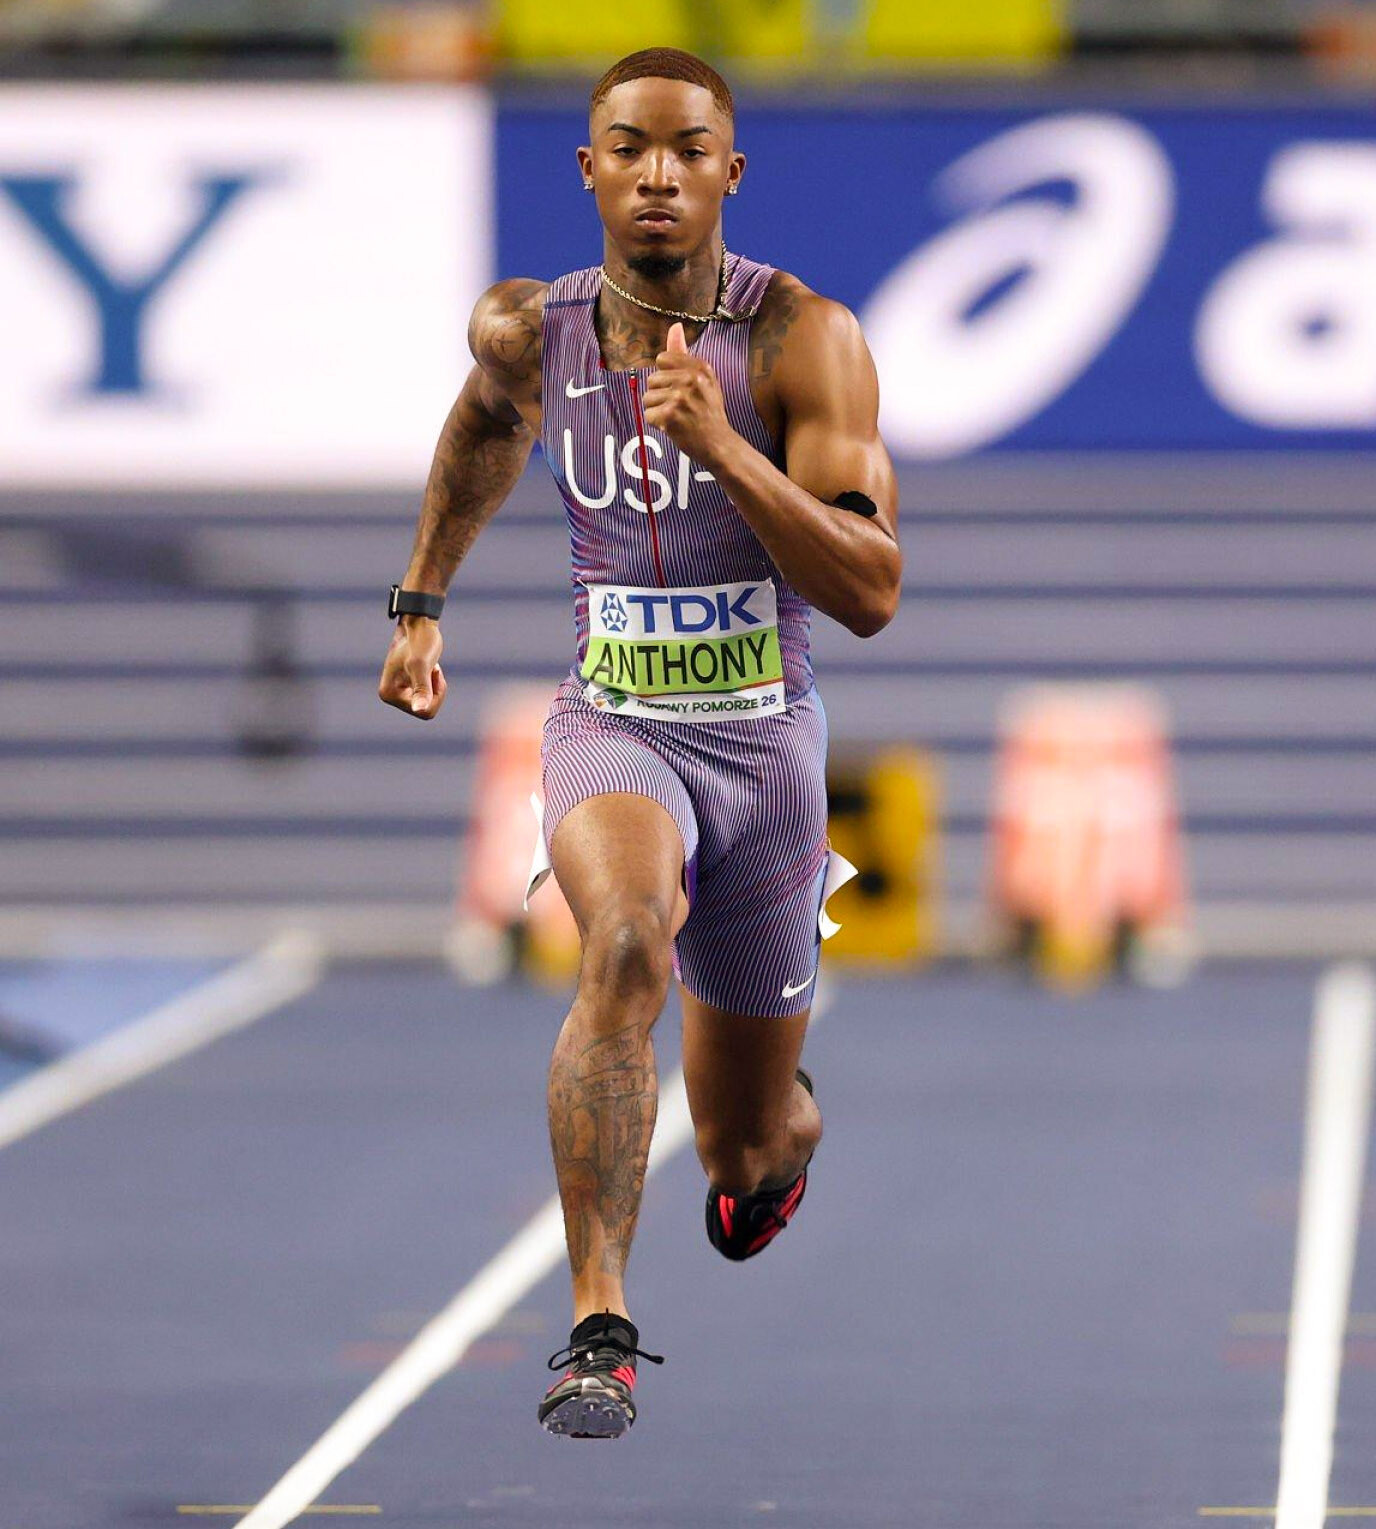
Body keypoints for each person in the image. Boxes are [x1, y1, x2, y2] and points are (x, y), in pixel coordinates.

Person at [378, 46, 900, 1439]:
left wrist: (729, 452)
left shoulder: (803, 341)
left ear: (731, 172)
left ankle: (782, 1124)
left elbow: (870, 591)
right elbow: (483, 429)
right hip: (611, 723)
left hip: (766, 755)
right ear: (589, 169)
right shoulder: (527, 330)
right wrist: (419, 602)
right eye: (629, 148)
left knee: (741, 1144)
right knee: (619, 945)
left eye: (687, 150)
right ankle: (598, 1328)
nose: (657, 174)